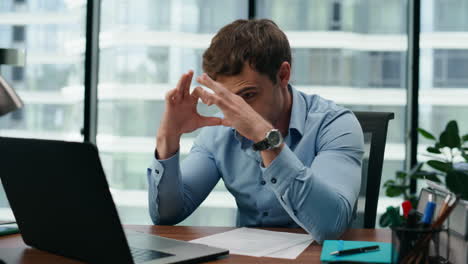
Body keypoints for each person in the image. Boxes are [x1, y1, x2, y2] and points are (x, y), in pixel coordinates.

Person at [147, 19, 364, 242]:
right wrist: (168, 138)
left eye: (248, 95)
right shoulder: (218, 130)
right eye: (225, 99)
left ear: (283, 75)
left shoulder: (335, 124)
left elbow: (330, 225)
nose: (236, 112)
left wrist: (265, 138)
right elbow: (167, 215)